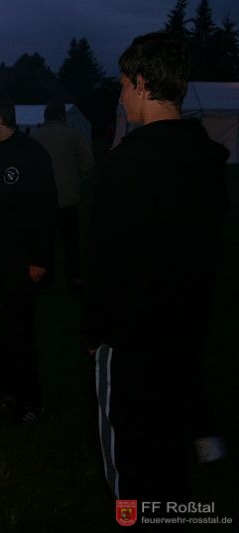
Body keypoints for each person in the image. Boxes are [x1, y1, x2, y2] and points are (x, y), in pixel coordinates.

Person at [83, 32, 229, 503]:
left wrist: (95, 329)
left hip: (132, 342)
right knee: (168, 450)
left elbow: (107, 257)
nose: (122, 97)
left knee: (131, 461)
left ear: (142, 83)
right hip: (185, 331)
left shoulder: (129, 163)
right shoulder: (208, 159)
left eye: (124, 85)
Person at [0, 93, 57, 424]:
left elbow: (46, 208)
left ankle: (31, 401)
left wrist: (39, 258)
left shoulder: (32, 154)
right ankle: (7, 393)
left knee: (19, 331)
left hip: (21, 260)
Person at [30, 100, 95, 290]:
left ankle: (45, 279)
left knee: (45, 241)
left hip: (43, 201)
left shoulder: (36, 136)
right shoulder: (73, 135)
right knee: (71, 242)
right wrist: (78, 176)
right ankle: (73, 277)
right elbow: (89, 163)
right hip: (68, 199)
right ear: (62, 115)